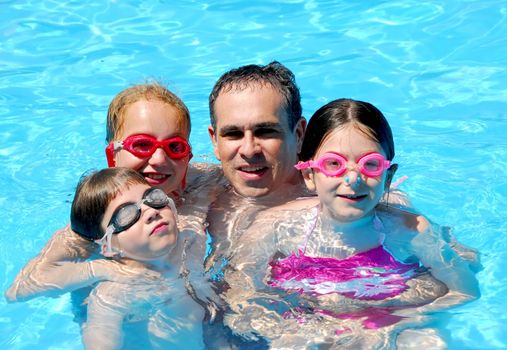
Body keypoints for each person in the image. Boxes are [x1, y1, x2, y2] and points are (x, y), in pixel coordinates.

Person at [220, 99, 480, 348]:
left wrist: (399, 321)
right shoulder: (275, 226)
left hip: (390, 322)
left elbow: (464, 291)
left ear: (388, 177)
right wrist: (285, 328)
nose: (353, 179)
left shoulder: (410, 230)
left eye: (371, 165)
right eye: (334, 164)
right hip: (306, 326)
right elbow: (239, 292)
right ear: (309, 175)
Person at [5, 82, 222, 304]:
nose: (159, 160)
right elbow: (21, 288)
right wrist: (104, 269)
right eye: (142, 145)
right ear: (113, 154)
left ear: (188, 154)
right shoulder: (102, 214)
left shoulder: (203, 182)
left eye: (175, 147)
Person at [69, 167, 205, 349]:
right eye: (126, 214)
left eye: (153, 197)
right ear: (107, 246)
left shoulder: (190, 238)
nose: (151, 212)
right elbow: (101, 339)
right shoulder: (114, 293)